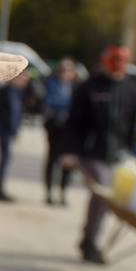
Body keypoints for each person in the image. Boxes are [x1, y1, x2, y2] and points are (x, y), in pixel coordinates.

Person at [60, 45, 136, 264]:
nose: (118, 68)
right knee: (101, 197)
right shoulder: (89, 87)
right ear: (106, 62)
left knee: (115, 199)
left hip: (118, 156)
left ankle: (90, 240)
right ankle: (89, 243)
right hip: (92, 153)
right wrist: (70, 152)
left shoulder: (132, 89)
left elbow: (134, 125)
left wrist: (135, 152)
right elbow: (73, 122)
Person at [40, 58, 76, 206]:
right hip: (54, 127)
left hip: (69, 129)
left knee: (67, 162)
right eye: (62, 70)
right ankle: (49, 192)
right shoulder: (51, 84)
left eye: (67, 70)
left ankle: (63, 193)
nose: (64, 73)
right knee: (52, 160)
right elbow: (47, 103)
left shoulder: (75, 88)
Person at [0, 72, 29, 202]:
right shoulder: (8, 91)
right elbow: (10, 113)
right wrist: (13, 130)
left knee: (5, 160)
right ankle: (0, 190)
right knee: (4, 160)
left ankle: (1, 189)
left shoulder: (15, 92)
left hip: (7, 130)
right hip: (6, 130)